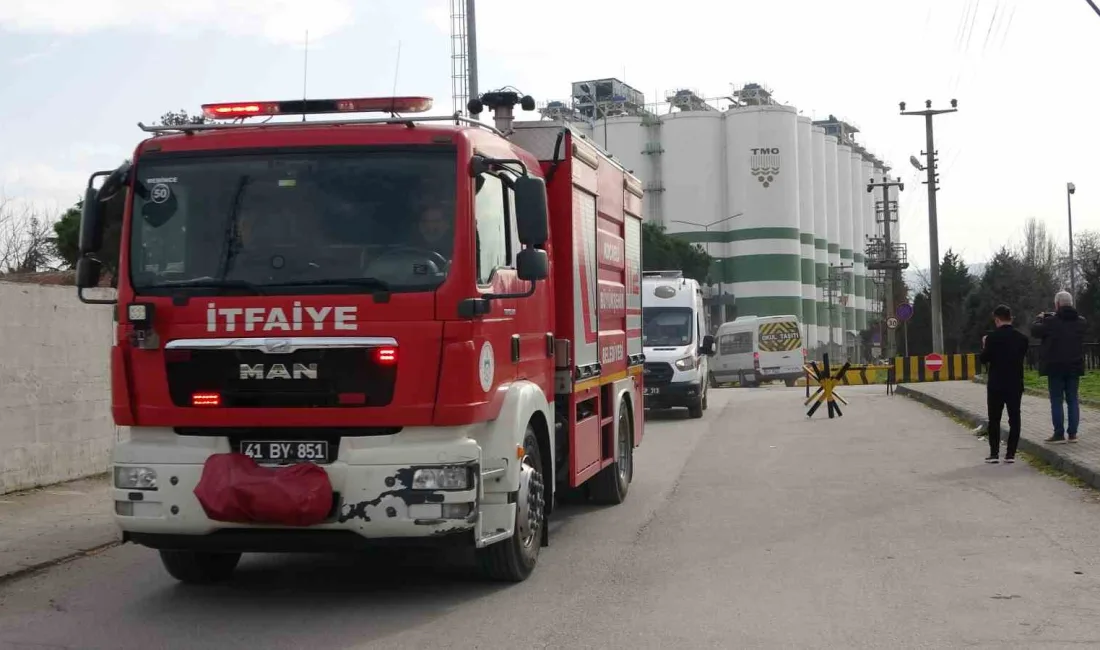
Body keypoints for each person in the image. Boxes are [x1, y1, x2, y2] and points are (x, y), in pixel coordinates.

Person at [1031, 290, 1088, 444]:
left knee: (1056, 400)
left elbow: (1035, 330)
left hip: (1055, 367)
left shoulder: (1050, 322)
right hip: (1074, 366)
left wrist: (1039, 318)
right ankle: (1073, 434)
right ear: (1071, 303)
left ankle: (1058, 433)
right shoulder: (1081, 321)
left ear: (1057, 304)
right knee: (1072, 399)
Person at [979, 304, 1030, 464]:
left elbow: (983, 359)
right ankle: (1010, 454)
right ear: (1011, 318)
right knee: (1014, 418)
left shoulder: (992, 338)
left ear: (997, 319)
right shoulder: (1022, 339)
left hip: (996, 384)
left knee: (994, 418)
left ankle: (994, 454)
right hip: (1015, 382)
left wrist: (985, 345)